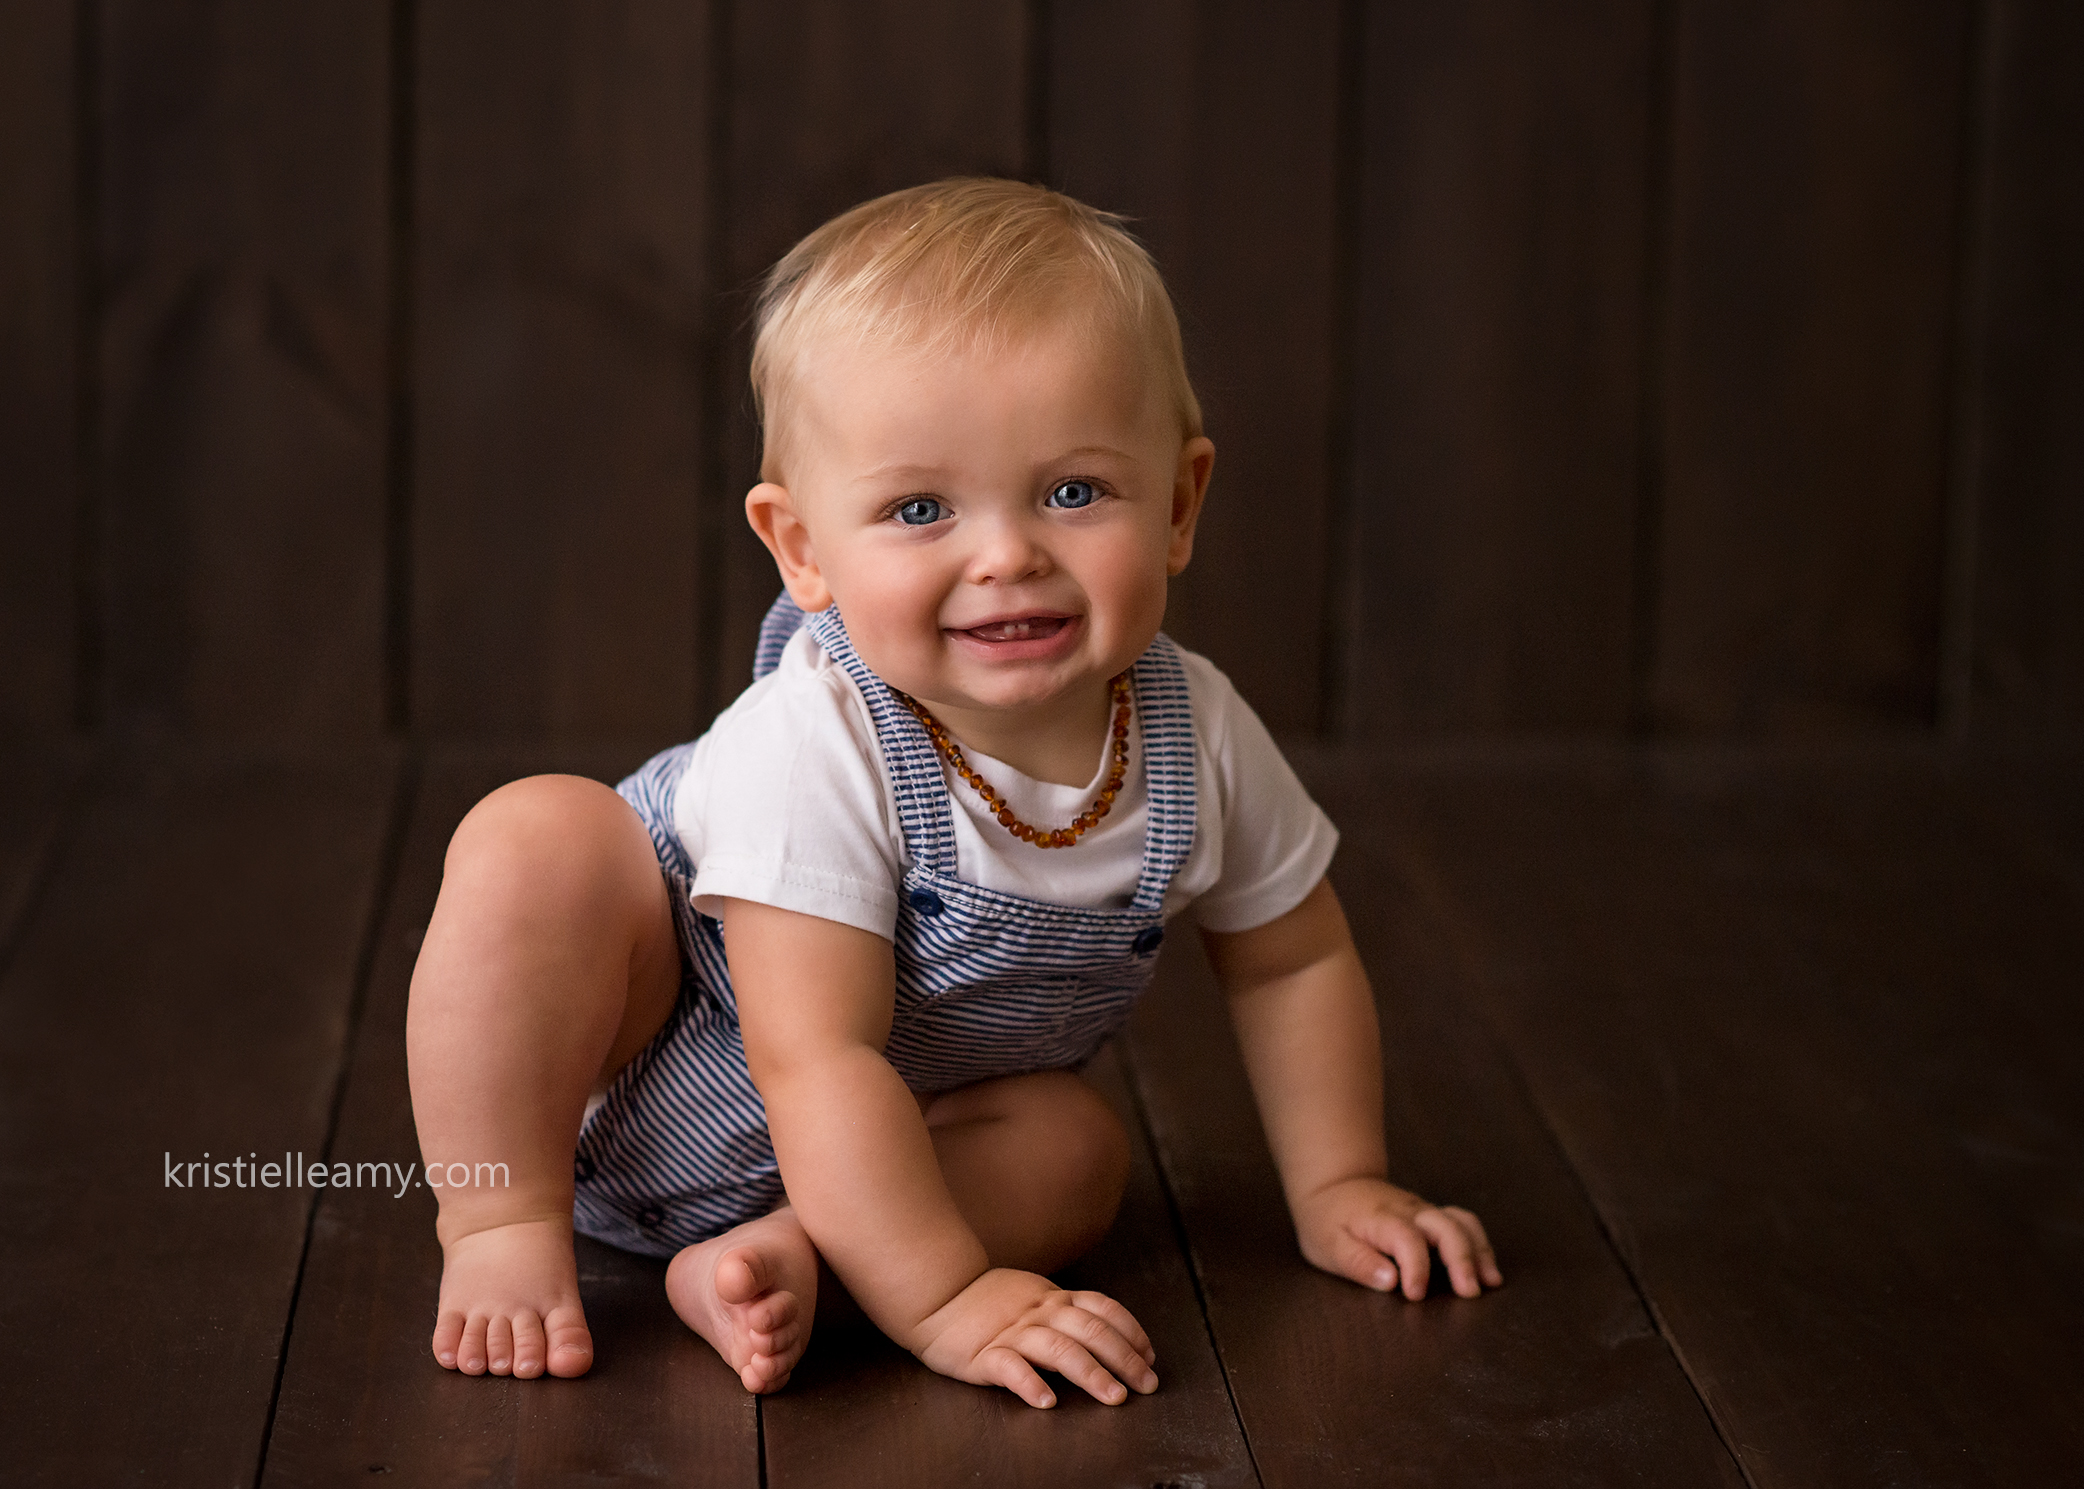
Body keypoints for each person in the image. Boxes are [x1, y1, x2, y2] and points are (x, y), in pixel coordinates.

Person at [405, 177, 1502, 1405]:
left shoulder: (1197, 733)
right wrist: (946, 1299)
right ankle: (498, 1222)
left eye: (1073, 491)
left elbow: (1290, 960)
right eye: (920, 508)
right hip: (628, 1075)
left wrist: (1338, 1179)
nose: (1006, 554)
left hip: (892, 1159)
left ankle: (785, 1264)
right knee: (535, 837)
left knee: (1075, 1151)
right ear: (803, 548)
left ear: (1181, 503)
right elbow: (813, 1055)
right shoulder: (816, 740)